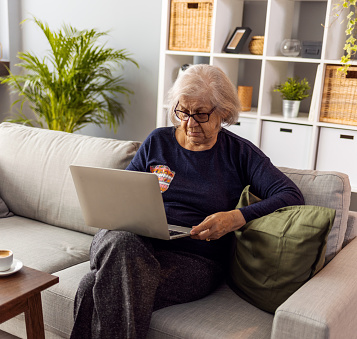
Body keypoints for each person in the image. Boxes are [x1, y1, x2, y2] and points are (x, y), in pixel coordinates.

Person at [70, 64, 305, 339]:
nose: (189, 123)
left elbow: (291, 195)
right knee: (121, 243)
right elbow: (124, 190)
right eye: (183, 111)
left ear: (224, 113)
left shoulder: (239, 154)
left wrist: (234, 218)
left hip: (193, 260)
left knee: (91, 286)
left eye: (201, 114)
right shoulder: (157, 141)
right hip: (129, 241)